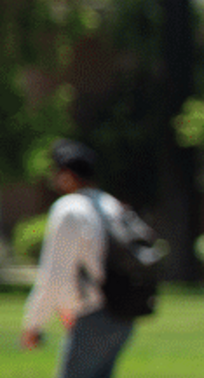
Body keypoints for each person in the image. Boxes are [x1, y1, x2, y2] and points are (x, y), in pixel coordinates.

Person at [20, 139, 141, 378]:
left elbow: (54, 274)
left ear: (67, 175)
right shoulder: (111, 204)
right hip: (124, 313)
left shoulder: (70, 209)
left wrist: (33, 324)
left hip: (93, 313)